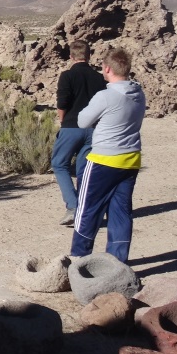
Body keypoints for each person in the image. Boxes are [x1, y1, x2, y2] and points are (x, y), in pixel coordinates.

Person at [70, 48, 146, 263]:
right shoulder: (138, 93)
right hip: (130, 159)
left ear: (108, 69)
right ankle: (117, 263)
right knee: (121, 212)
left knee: (87, 210)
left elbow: (82, 121)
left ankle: (79, 258)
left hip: (103, 160)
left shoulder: (105, 96)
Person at [52, 40, 106, 226]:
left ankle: (73, 206)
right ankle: (85, 210)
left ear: (71, 56)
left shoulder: (67, 76)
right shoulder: (99, 78)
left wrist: (63, 121)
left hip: (71, 127)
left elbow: (62, 102)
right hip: (93, 129)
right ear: (89, 56)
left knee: (59, 164)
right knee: (84, 170)